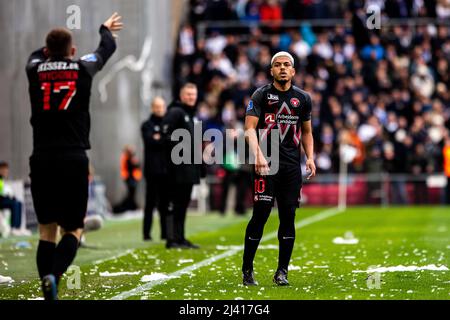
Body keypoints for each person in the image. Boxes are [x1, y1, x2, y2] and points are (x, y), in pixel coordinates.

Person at [25, 12, 123, 300]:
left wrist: (50, 53)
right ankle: (53, 278)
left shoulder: (34, 68)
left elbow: (35, 56)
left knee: (46, 230)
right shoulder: (82, 67)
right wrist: (104, 29)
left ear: (46, 51)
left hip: (41, 157)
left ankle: (47, 286)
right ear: (73, 51)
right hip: (73, 158)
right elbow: (107, 50)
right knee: (74, 230)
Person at [242, 51, 316, 286]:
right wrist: (258, 155)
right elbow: (249, 130)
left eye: (287, 65)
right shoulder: (261, 95)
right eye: (277, 65)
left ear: (293, 71)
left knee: (288, 217)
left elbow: (306, 132)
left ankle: (282, 271)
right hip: (266, 165)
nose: (282, 68)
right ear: (271, 71)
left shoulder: (303, 98)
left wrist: (311, 158)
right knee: (260, 215)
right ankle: (247, 270)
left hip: (291, 169)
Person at [162, 83, 202, 249]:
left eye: (193, 94)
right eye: (188, 94)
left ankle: (180, 237)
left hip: (189, 168)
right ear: (181, 95)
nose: (191, 97)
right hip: (177, 167)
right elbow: (165, 133)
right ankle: (172, 239)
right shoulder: (176, 112)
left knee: (183, 204)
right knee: (175, 203)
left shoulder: (192, 114)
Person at [141, 97, 169, 241]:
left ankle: (165, 233)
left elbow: (169, 140)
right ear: (152, 108)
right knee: (150, 204)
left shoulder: (168, 124)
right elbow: (150, 141)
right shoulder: (146, 125)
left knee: (164, 204)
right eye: (157, 107)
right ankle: (146, 234)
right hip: (152, 170)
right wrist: (161, 139)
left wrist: (161, 138)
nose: (159, 109)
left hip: (165, 170)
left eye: (162, 106)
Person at [0, 162, 28, 236]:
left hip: (2, 199)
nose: (6, 172)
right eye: (4, 170)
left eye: (7, 171)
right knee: (15, 203)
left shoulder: (2, 179)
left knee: (18, 202)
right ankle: (14, 228)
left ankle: (17, 228)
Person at [113, 145, 142, 213]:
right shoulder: (126, 157)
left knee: (132, 194)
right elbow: (133, 165)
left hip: (133, 177)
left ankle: (132, 207)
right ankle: (128, 207)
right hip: (129, 178)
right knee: (131, 193)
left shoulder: (131, 157)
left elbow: (137, 166)